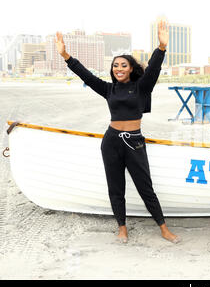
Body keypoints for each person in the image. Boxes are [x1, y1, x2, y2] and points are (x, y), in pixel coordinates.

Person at [55, 19, 179, 244]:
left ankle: (164, 228)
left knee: (145, 187)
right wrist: (66, 56)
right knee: (116, 187)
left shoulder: (142, 87)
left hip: (134, 142)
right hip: (111, 141)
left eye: (123, 65)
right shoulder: (108, 89)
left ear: (131, 68)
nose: (119, 68)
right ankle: (121, 228)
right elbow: (86, 76)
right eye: (115, 65)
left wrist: (161, 47)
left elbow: (152, 70)